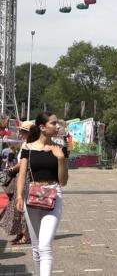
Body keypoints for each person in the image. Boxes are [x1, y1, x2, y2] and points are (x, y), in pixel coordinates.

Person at [15, 112, 69, 276]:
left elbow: (64, 181)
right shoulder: (28, 148)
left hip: (54, 196)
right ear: (42, 127)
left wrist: (60, 159)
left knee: (45, 246)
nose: (57, 126)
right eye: (53, 123)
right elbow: (22, 174)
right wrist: (18, 196)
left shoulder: (61, 149)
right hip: (32, 196)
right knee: (36, 247)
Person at [0, 121, 33, 245]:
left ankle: (25, 235)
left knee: (22, 208)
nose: (20, 133)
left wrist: (11, 170)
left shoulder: (29, 145)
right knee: (17, 208)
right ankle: (21, 233)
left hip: (25, 179)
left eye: (23, 131)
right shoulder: (26, 143)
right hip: (21, 178)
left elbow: (23, 164)